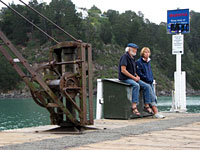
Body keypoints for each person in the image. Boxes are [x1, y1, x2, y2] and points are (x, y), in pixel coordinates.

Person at [118, 43, 154, 116]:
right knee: (136, 85)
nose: (135, 50)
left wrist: (137, 76)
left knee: (147, 86)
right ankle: (134, 107)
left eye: (136, 49)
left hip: (133, 77)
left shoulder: (132, 58)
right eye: (134, 49)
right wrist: (134, 78)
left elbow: (133, 70)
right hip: (125, 78)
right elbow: (123, 70)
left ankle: (146, 105)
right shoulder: (124, 57)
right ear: (129, 49)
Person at [136, 47, 165, 118]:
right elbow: (139, 73)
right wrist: (147, 79)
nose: (147, 54)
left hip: (150, 81)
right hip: (145, 81)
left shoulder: (148, 62)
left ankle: (154, 111)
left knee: (154, 97)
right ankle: (155, 112)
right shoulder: (139, 62)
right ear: (142, 53)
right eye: (145, 52)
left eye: (148, 52)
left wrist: (151, 79)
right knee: (151, 96)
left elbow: (150, 72)